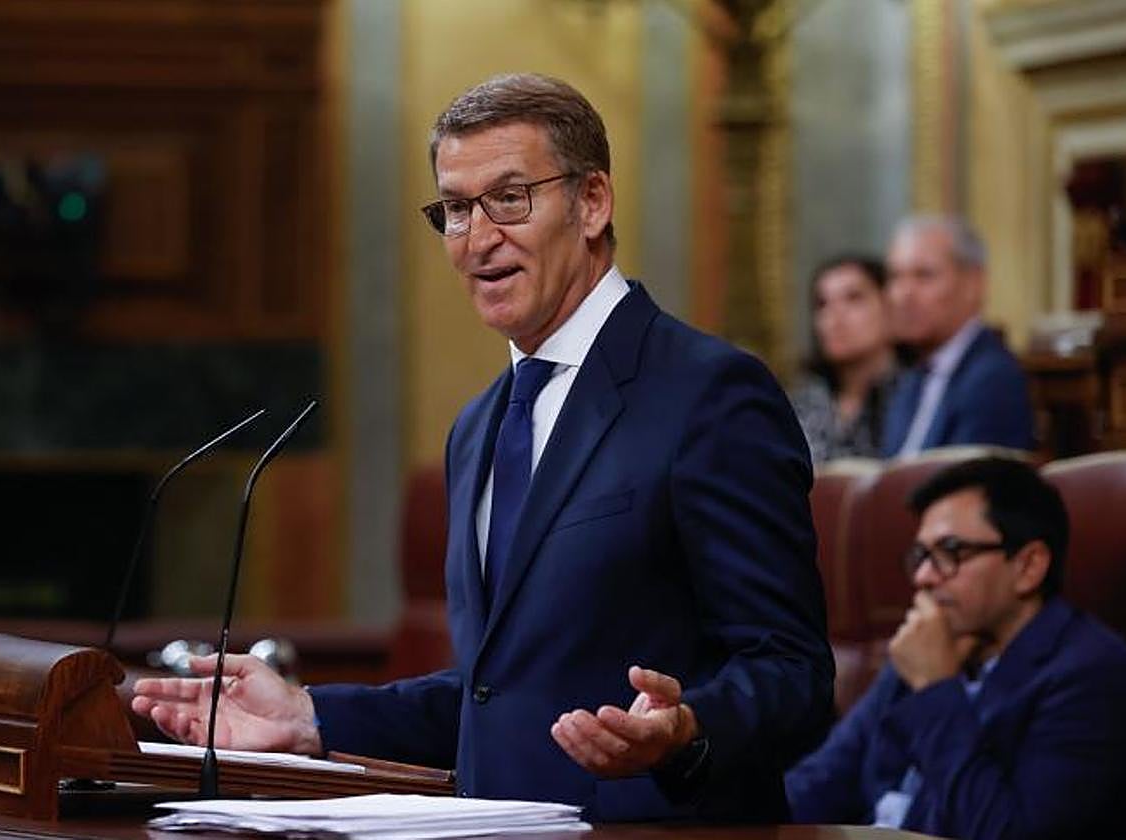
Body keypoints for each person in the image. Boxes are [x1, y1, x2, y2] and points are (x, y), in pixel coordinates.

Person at [132, 73, 834, 822]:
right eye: (457, 209)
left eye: (509, 198)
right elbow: (503, 693)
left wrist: (685, 730)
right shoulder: (479, 426)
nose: (478, 238)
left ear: (592, 202)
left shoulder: (709, 395)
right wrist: (308, 718)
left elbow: (792, 672)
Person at [785, 457, 1126, 839]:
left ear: (1028, 566)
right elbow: (820, 782)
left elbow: (1005, 833)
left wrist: (935, 689)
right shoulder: (923, 648)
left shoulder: (1091, 674)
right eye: (921, 556)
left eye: (951, 552)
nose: (923, 577)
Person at [881, 216, 1034, 457]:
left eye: (924, 275)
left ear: (974, 284)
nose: (903, 294)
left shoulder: (992, 379)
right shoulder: (910, 381)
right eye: (895, 277)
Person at [789, 255, 898, 463]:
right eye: (822, 304)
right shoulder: (800, 409)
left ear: (890, 306)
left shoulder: (920, 398)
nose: (834, 317)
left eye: (853, 298)